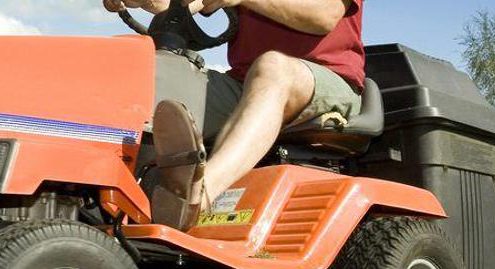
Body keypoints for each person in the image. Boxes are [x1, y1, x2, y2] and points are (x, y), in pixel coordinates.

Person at [104, 0, 365, 230]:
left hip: (324, 79)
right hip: (243, 83)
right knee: (147, 68)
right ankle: (104, 195)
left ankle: (197, 198)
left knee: (272, 67)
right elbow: (179, 4)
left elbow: (325, 15)